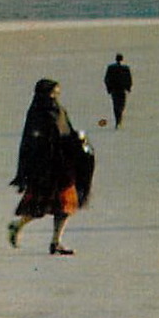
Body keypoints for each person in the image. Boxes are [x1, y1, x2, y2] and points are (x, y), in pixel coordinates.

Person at [8, 78, 92, 256]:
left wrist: (77, 140)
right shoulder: (38, 113)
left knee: (65, 205)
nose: (56, 95)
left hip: (63, 165)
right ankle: (18, 225)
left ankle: (56, 242)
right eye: (53, 92)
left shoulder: (58, 109)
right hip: (47, 168)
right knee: (40, 205)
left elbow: (66, 131)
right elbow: (35, 141)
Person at [103, 54, 133, 129]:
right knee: (121, 105)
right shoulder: (125, 68)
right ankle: (119, 120)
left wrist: (109, 88)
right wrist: (128, 87)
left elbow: (107, 79)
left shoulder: (111, 68)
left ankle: (118, 120)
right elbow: (129, 79)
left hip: (115, 89)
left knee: (116, 105)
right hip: (121, 89)